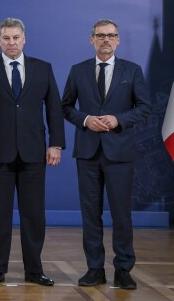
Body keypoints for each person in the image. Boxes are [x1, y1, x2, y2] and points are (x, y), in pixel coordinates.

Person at [0, 18, 65, 287]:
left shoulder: (43, 69)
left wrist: (56, 143)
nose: (11, 43)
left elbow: (54, 109)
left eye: (16, 38)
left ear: (24, 39)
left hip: (34, 153)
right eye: (6, 38)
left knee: (34, 215)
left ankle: (34, 269)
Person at [62, 19, 151, 290]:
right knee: (91, 214)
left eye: (111, 35)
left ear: (118, 40)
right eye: (101, 36)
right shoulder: (78, 71)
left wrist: (118, 119)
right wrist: (86, 119)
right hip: (88, 152)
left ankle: (123, 269)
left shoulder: (132, 71)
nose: (106, 40)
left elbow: (145, 107)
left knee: (122, 214)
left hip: (120, 153)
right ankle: (94, 268)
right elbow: (66, 107)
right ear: (92, 40)